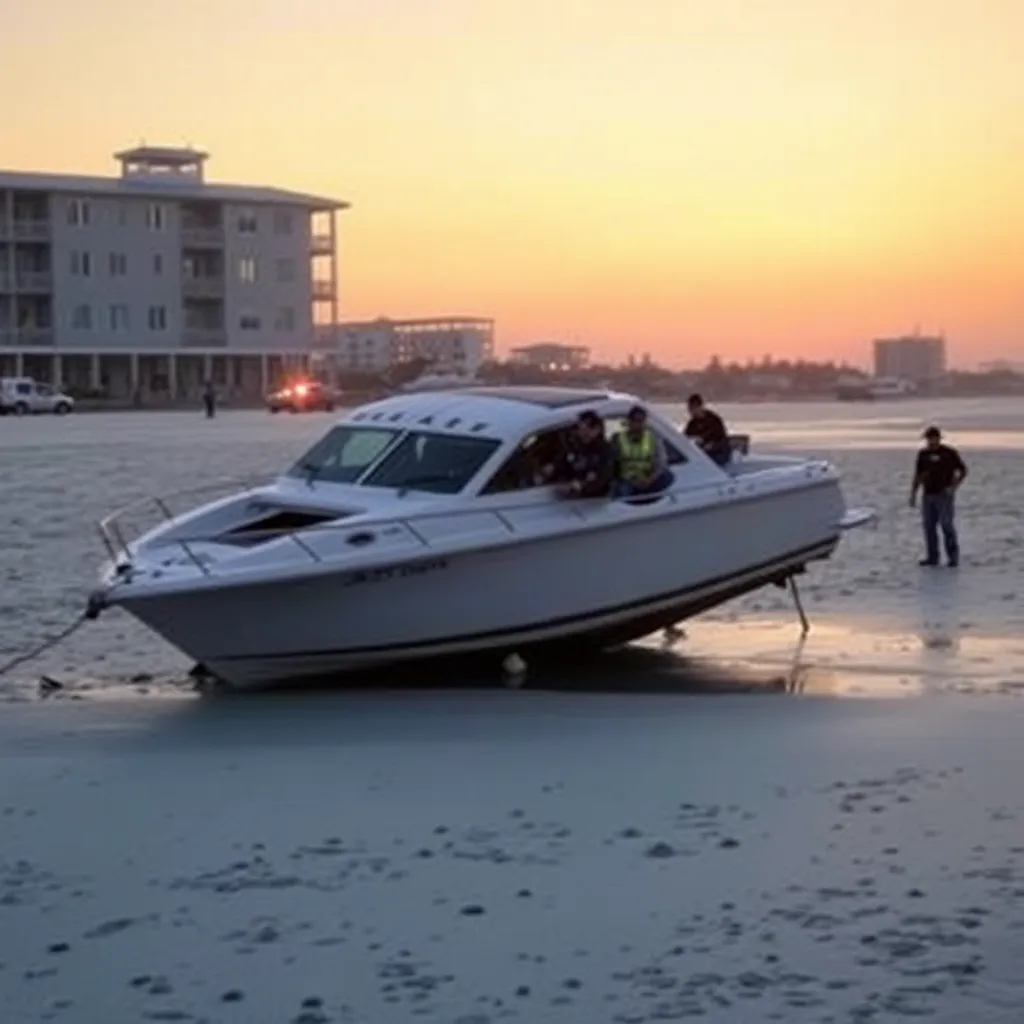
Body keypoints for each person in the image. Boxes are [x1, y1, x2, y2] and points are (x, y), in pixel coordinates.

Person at [909, 425, 967, 567]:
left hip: (944, 495)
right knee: (929, 526)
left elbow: (963, 470)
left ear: (938, 439)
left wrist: (953, 487)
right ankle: (932, 557)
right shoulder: (923, 454)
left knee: (946, 524)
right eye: (928, 439)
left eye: (933, 438)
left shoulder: (949, 453)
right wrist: (913, 493)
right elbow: (918, 474)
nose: (931, 441)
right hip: (928, 494)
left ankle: (953, 557)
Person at [540, 409, 615, 498]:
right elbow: (563, 462)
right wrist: (552, 468)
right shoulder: (575, 446)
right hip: (569, 496)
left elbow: (603, 477)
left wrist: (582, 485)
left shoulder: (604, 451)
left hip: (595, 499)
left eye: (585, 431)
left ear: (596, 430)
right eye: (580, 430)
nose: (581, 434)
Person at [612, 405, 674, 497]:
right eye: (635, 421)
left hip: (648, 479)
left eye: (641, 421)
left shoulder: (652, 438)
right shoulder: (618, 439)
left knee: (667, 477)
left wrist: (650, 479)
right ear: (629, 422)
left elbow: (661, 462)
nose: (638, 424)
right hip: (627, 480)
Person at [684, 393, 731, 466]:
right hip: (702, 453)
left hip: (718, 453)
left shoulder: (714, 420)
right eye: (689, 409)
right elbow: (685, 438)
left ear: (699, 407)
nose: (690, 412)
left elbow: (723, 440)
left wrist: (712, 446)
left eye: (692, 409)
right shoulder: (692, 424)